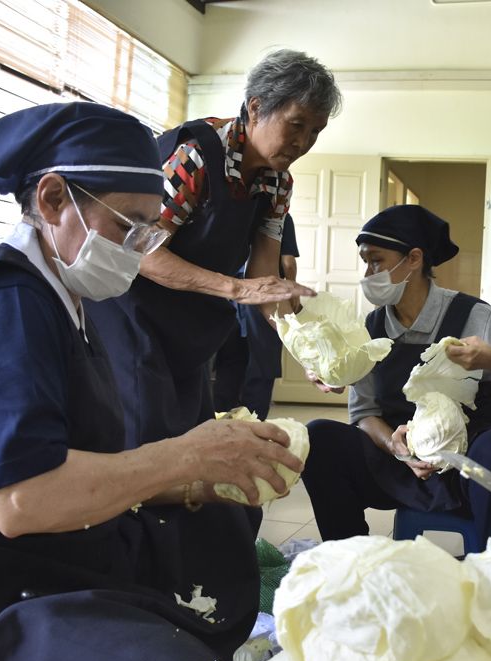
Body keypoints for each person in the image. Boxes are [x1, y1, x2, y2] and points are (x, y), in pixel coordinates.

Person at [0, 103, 303, 661]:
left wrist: (191, 481)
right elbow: (19, 500)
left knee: (208, 543)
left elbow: (67, 453)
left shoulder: (63, 298)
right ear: (53, 198)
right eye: (129, 228)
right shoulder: (0, 301)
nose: (137, 250)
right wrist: (181, 456)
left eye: (150, 231)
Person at [85, 49, 339, 448]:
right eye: (297, 124)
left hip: (187, 320)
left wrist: (311, 350)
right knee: (145, 437)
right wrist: (234, 289)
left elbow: (263, 275)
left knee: (191, 433)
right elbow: (142, 252)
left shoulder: (278, 182)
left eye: (315, 132)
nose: (303, 142)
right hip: (131, 313)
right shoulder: (196, 157)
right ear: (256, 108)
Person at [302, 205, 491, 542]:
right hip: (399, 464)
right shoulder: (372, 327)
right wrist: (398, 450)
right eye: (365, 261)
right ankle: (350, 557)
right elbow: (365, 414)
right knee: (319, 438)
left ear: (414, 259)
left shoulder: (471, 316)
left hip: (463, 463)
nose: (368, 273)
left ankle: (488, 567)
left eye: (376, 260)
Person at [212, 213, 300, 419]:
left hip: (229, 295)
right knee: (262, 365)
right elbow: (287, 262)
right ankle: (255, 424)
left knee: (229, 363)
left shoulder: (233, 211)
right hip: (263, 296)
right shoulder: (280, 216)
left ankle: (221, 422)